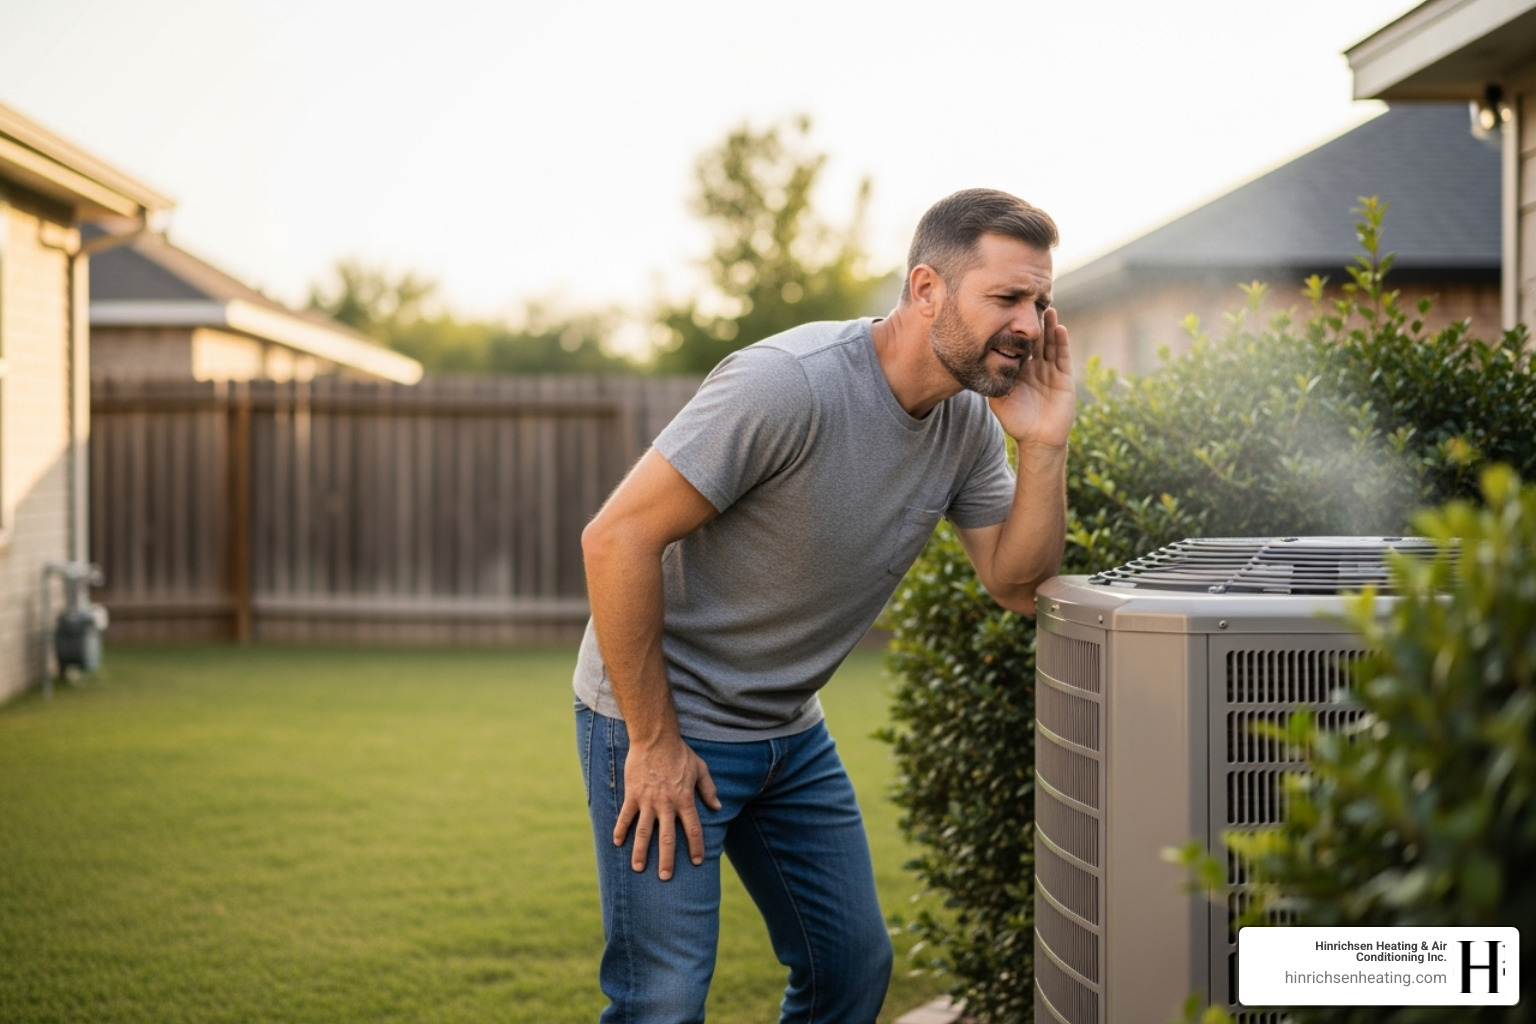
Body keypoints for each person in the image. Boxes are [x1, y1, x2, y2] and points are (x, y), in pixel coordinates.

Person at [573, 187, 1075, 1024]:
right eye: (1007, 298)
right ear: (926, 290)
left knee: (849, 970)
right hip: (662, 719)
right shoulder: (787, 386)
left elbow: (1018, 586)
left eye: (1041, 301)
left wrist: (1046, 442)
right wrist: (655, 742)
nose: (1031, 323)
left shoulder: (967, 426)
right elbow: (614, 538)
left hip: (786, 732)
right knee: (660, 998)